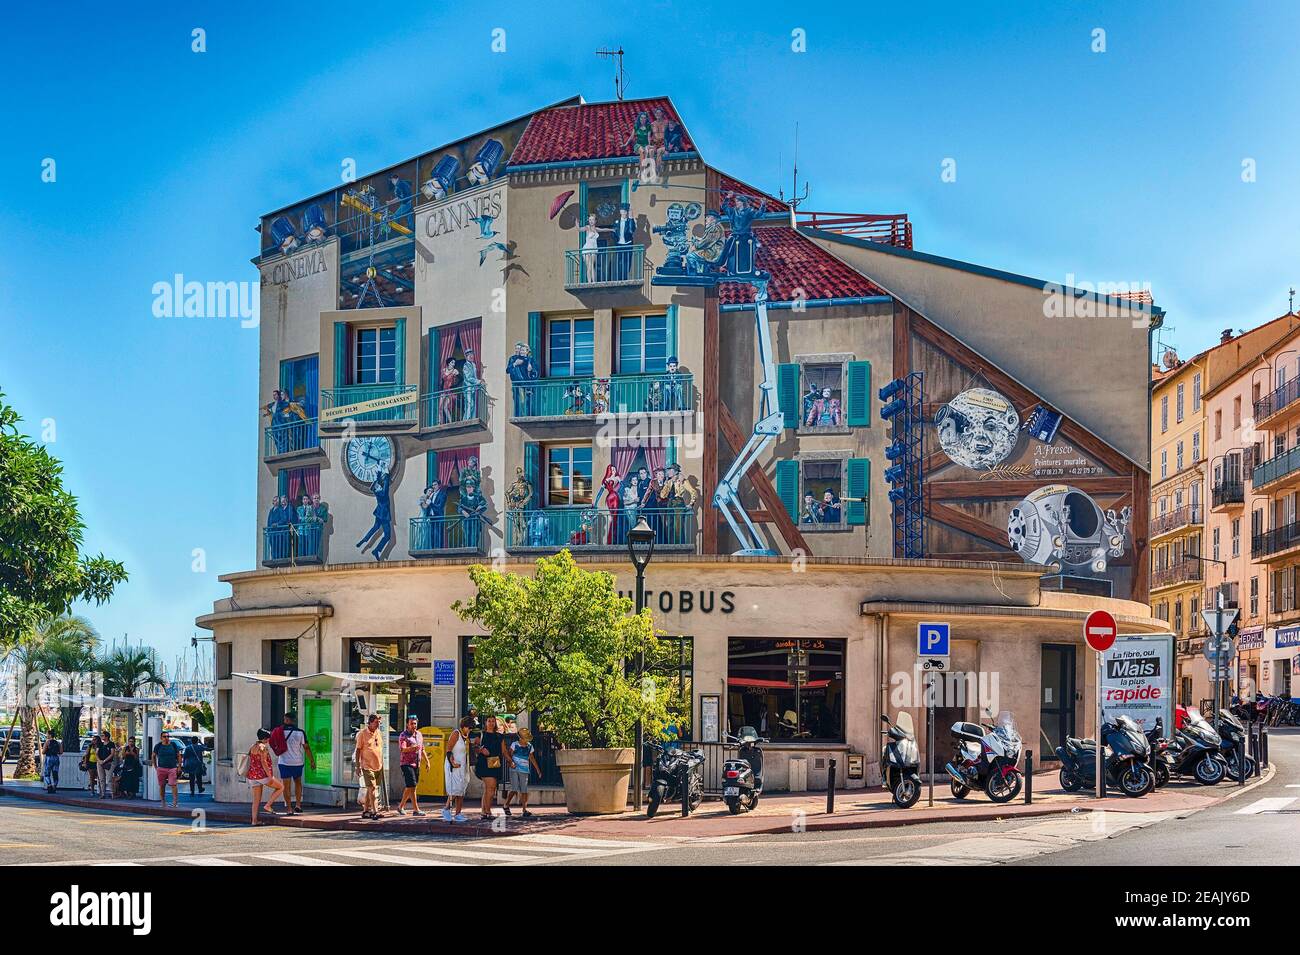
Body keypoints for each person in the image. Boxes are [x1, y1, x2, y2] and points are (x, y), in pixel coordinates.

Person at [271, 711, 314, 814]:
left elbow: (272, 742)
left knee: (286, 786)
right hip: (297, 762)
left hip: (284, 762)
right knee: (298, 783)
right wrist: (312, 760)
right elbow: (306, 748)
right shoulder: (300, 732)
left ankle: (289, 808)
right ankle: (298, 805)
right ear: (294, 720)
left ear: (285, 720)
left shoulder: (278, 731)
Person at [500, 728, 542, 819]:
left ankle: (524, 810)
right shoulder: (514, 744)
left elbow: (532, 758)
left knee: (524, 790)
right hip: (514, 769)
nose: (526, 740)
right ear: (520, 738)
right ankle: (506, 805)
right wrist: (510, 763)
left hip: (524, 770)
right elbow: (509, 755)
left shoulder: (530, 746)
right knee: (514, 788)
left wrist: (538, 770)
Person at [245, 729, 284, 825]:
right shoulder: (263, 747)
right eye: (268, 738)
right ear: (265, 738)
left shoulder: (253, 747)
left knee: (256, 800)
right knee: (280, 787)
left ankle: (254, 821)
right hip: (262, 775)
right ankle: (268, 805)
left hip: (253, 776)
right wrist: (270, 776)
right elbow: (264, 762)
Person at [395, 716, 430, 816]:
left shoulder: (419, 734)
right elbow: (402, 749)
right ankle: (416, 809)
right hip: (406, 764)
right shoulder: (403, 735)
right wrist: (412, 748)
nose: (414, 726)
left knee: (410, 786)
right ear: (407, 724)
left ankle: (400, 806)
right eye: (411, 724)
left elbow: (422, 749)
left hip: (417, 763)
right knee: (413, 786)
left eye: (415, 723)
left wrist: (427, 761)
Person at [474, 715, 506, 819]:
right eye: (489, 721)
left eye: (493, 721)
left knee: (489, 789)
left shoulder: (499, 736)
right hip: (484, 764)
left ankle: (484, 812)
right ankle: (488, 811)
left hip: (495, 764)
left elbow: (504, 751)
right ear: (485, 723)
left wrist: (511, 761)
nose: (491, 723)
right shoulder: (481, 734)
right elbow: (475, 747)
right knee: (491, 788)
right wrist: (481, 750)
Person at [353, 713, 385, 820]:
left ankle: (365, 810)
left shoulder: (378, 733)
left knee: (370, 789)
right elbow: (358, 750)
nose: (377, 724)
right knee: (372, 788)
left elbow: (380, 748)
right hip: (367, 765)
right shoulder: (362, 734)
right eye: (376, 722)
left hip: (378, 765)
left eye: (378, 722)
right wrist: (357, 766)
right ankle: (375, 811)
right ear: (370, 722)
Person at [442, 716, 472, 823]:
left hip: (463, 766)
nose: (470, 730)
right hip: (454, 766)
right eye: (469, 727)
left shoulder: (466, 737)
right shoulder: (456, 734)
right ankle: (446, 809)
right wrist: (452, 762)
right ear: (464, 726)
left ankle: (458, 813)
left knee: (461, 790)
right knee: (454, 789)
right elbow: (449, 749)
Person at [506, 342, 539, 416]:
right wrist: (515, 364)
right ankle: (522, 415)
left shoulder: (530, 359)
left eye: (521, 349)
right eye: (518, 349)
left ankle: (528, 415)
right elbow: (508, 370)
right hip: (518, 383)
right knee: (521, 401)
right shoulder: (514, 359)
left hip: (527, 384)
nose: (519, 351)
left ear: (527, 351)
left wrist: (531, 369)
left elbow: (534, 372)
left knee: (528, 401)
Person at [151, 730, 182, 808]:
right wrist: (155, 766)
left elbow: (179, 755)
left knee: (173, 785)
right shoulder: (158, 746)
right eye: (164, 736)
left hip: (172, 768)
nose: (166, 738)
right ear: (161, 738)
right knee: (162, 786)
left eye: (168, 736)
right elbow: (153, 756)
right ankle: (163, 802)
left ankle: (175, 802)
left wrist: (179, 767)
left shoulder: (173, 745)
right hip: (161, 768)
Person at [577, 212, 611, 282]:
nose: (591, 221)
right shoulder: (587, 227)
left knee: (592, 266)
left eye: (592, 220)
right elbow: (579, 229)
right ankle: (589, 282)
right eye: (590, 220)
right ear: (588, 221)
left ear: (595, 221)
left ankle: (594, 282)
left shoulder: (596, 229)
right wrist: (576, 222)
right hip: (587, 249)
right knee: (589, 266)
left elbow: (604, 229)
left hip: (594, 249)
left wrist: (612, 229)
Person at [612, 202, 637, 280]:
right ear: (620, 212)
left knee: (627, 262)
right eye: (622, 211)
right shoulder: (616, 222)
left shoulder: (630, 221)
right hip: (619, 244)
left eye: (625, 211)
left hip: (628, 244)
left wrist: (631, 218)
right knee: (619, 262)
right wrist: (616, 240)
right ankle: (619, 278)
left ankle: (625, 277)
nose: (624, 213)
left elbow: (632, 230)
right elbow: (613, 232)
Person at [95, 731, 117, 801]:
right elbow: (96, 753)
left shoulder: (111, 744)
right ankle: (103, 793)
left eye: (103, 735)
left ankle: (112, 793)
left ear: (107, 737)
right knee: (101, 779)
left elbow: (112, 754)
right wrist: (99, 761)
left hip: (108, 763)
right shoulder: (100, 744)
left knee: (109, 779)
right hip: (100, 762)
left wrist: (104, 761)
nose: (102, 737)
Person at [438, 357, 461, 423]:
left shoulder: (455, 371)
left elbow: (461, 379)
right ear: (448, 363)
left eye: (454, 363)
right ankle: (441, 422)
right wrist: (441, 389)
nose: (453, 364)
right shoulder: (444, 370)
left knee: (445, 407)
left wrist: (454, 386)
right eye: (452, 362)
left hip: (449, 391)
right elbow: (442, 381)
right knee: (440, 407)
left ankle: (450, 421)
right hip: (443, 391)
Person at [461, 348, 481, 421]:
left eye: (472, 355)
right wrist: (477, 381)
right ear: (466, 357)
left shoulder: (473, 365)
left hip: (473, 388)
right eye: (469, 355)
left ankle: (471, 418)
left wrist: (478, 383)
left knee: (472, 404)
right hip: (468, 388)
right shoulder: (466, 365)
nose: (471, 356)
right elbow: (468, 377)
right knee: (469, 404)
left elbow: (474, 375)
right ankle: (467, 420)